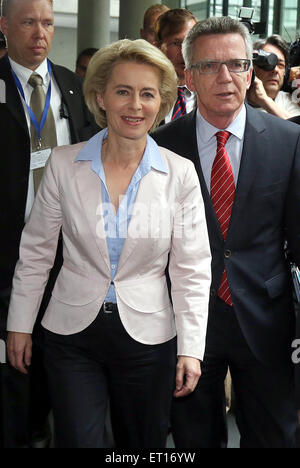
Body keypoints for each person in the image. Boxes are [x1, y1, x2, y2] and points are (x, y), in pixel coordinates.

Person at [6, 38, 212, 449]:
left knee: (142, 444)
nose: (135, 105)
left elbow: (191, 269)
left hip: (149, 336)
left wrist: (192, 349)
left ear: (162, 103)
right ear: (100, 97)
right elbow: (36, 252)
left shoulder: (181, 174)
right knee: (78, 439)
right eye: (123, 91)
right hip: (71, 335)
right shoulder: (64, 165)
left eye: (147, 94)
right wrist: (19, 323)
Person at [152, 16, 300, 448]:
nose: (225, 77)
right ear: (188, 76)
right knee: (193, 438)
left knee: (274, 435)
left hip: (267, 316)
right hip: (186, 320)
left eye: (236, 64)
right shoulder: (161, 147)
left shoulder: (287, 141)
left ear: (250, 71)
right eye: (210, 66)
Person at [0, 0, 98, 448]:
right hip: (7, 252)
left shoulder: (72, 86)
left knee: (54, 357)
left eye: (47, 23)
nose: (40, 33)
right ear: (4, 26)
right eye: (28, 22)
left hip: (67, 254)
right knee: (11, 358)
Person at [155, 8, 197, 123]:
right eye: (176, 43)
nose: (185, 51)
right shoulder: (146, 93)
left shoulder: (209, 95)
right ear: (158, 48)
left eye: (190, 43)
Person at [247, 34, 300, 119]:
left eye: (280, 65)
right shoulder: (237, 98)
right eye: (268, 62)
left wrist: (264, 100)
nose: (275, 70)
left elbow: (295, 128)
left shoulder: (289, 100)